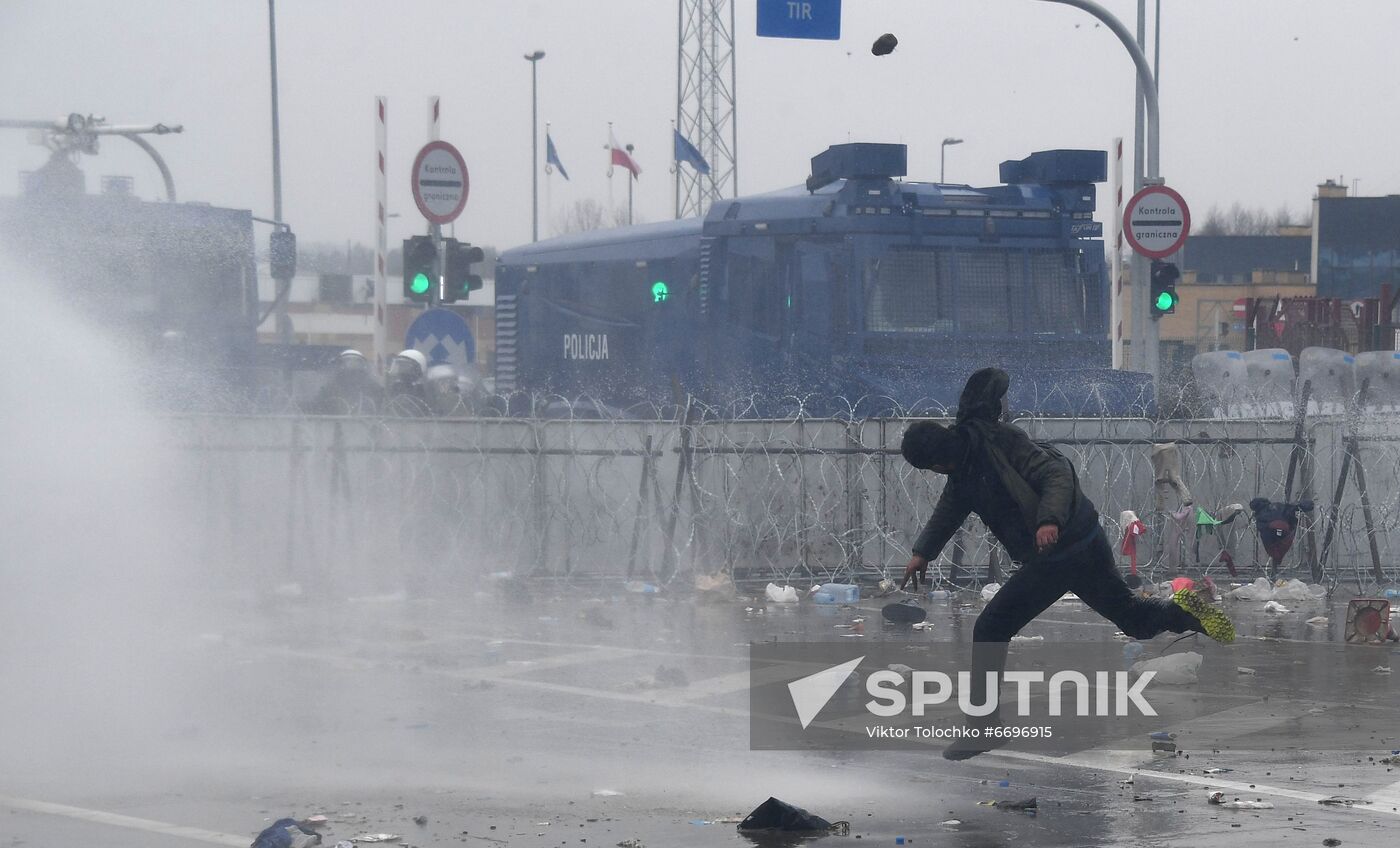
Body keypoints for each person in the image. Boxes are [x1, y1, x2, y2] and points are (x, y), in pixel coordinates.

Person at [899, 367, 1234, 761]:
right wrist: (924, 550)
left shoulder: (1001, 442)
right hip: (1078, 543)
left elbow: (1055, 472)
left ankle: (983, 728)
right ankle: (1189, 614)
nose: (938, 474)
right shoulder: (966, 461)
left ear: (937, 461)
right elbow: (951, 506)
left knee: (991, 626)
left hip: (1059, 550)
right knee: (1133, 618)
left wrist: (1047, 520)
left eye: (933, 469)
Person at [312, 349, 384, 415]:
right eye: (347, 361)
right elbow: (319, 406)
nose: (351, 365)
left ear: (362, 365)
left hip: (366, 425)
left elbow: (381, 406)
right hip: (334, 424)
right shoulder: (331, 386)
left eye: (356, 362)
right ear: (340, 365)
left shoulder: (371, 386)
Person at [385, 349, 432, 417]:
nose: (402, 371)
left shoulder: (423, 390)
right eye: (400, 366)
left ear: (417, 369)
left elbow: (424, 413)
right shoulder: (395, 387)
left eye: (405, 367)